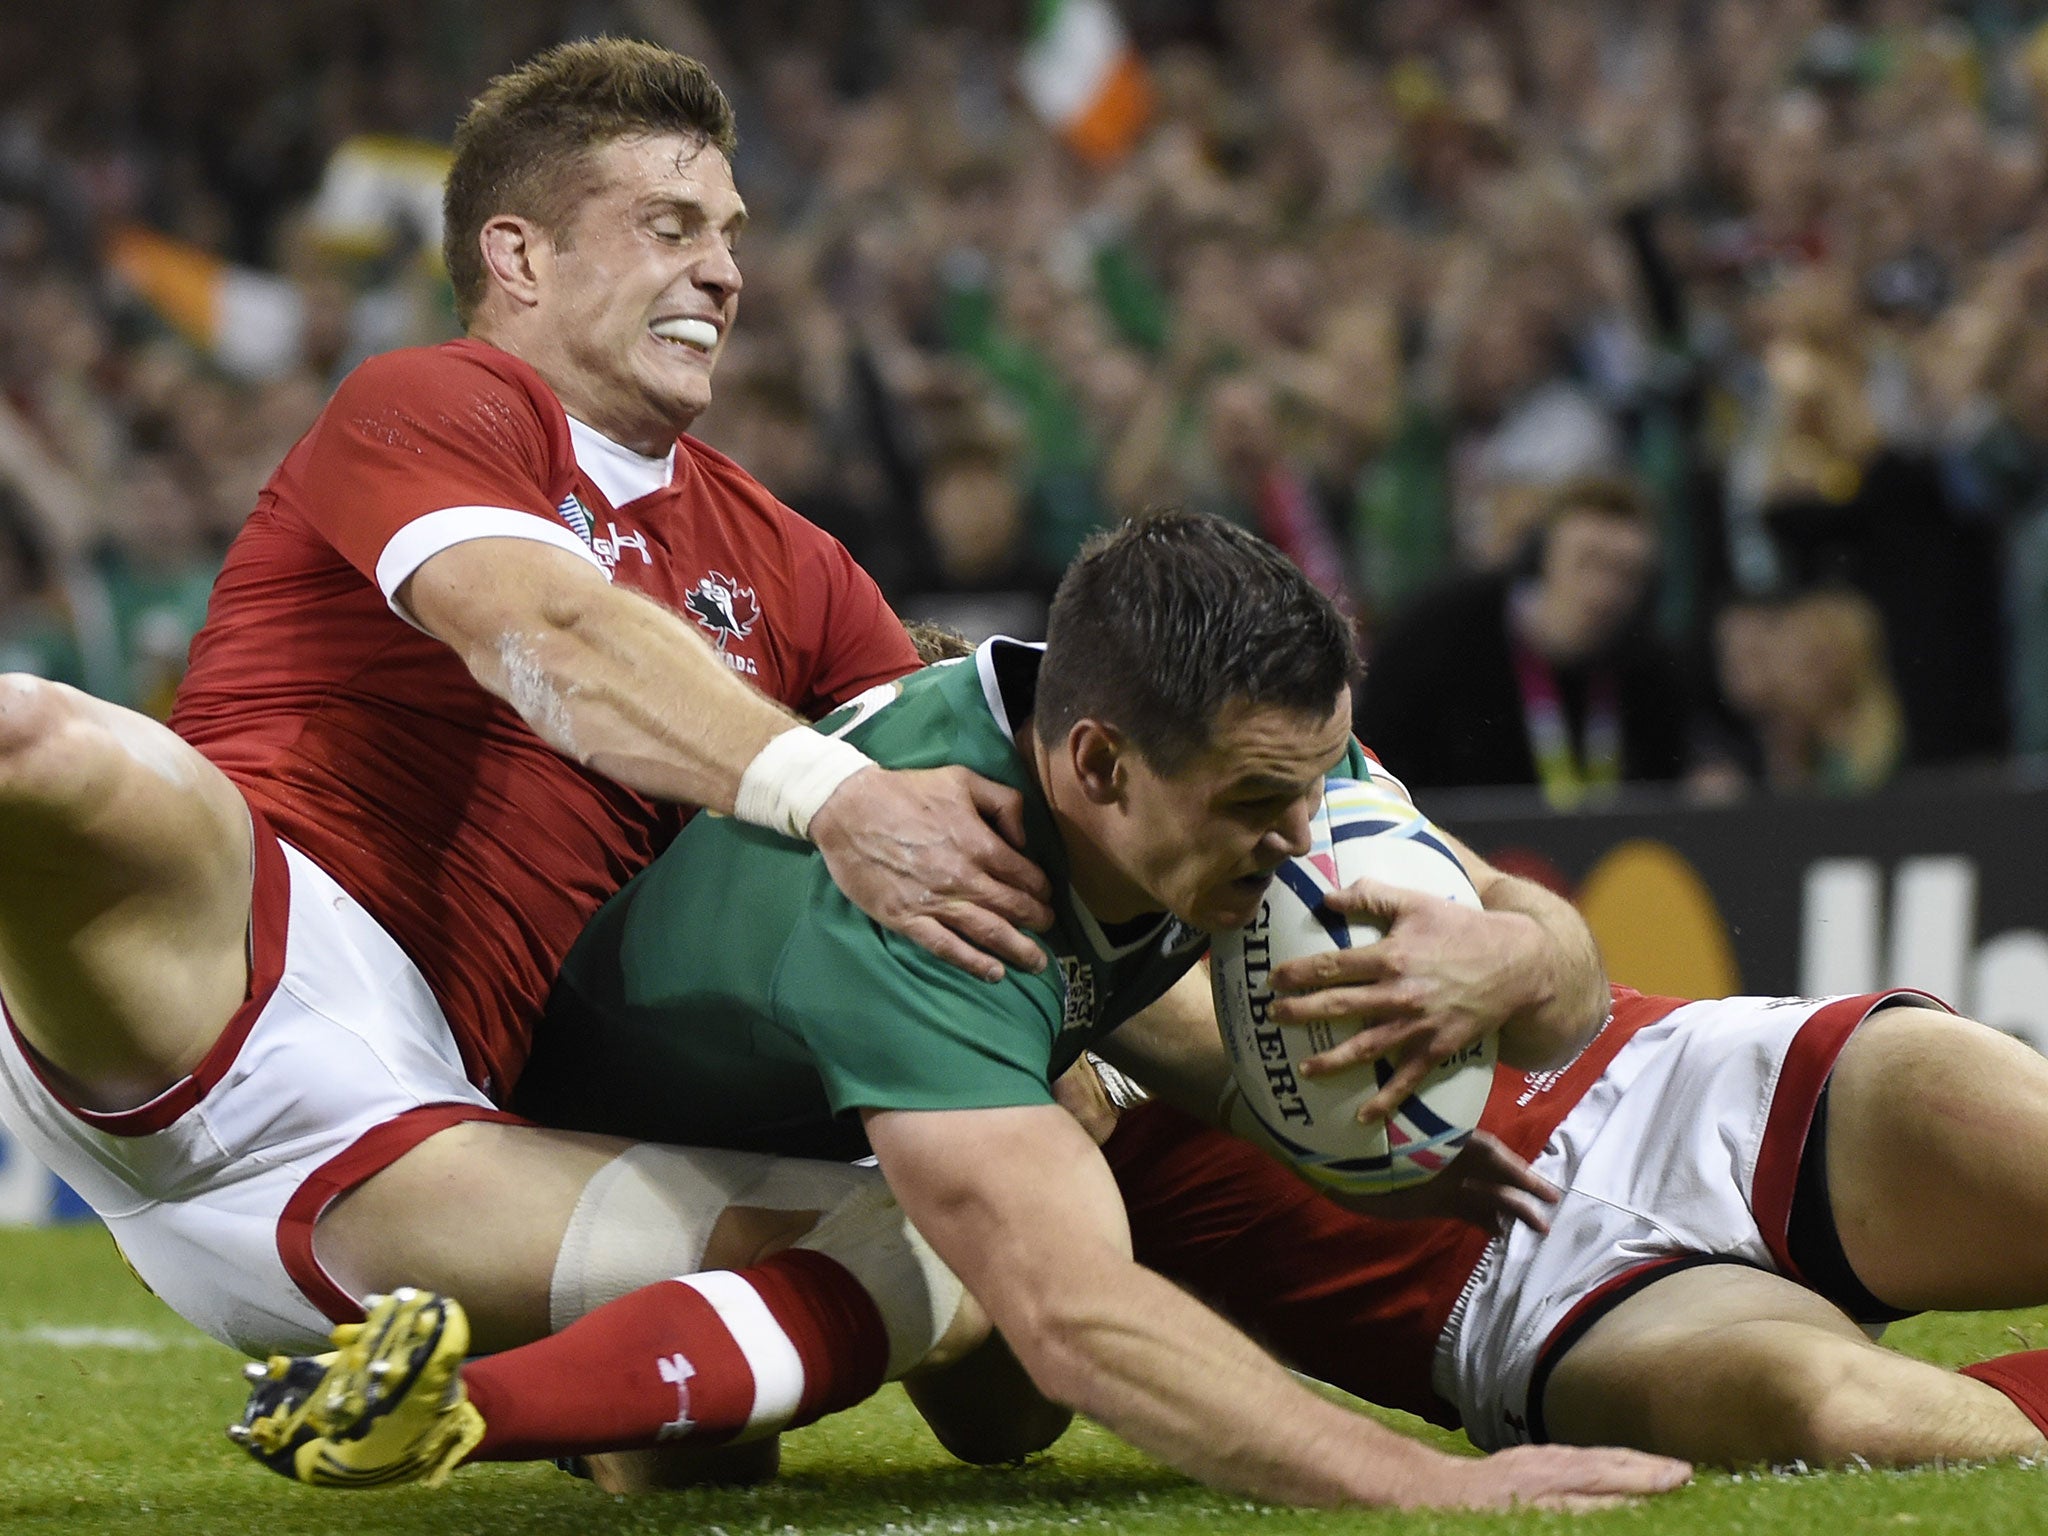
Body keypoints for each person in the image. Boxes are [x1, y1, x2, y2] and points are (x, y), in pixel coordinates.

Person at [0, 36, 1067, 1474]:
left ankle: (550, 1408)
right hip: (245, 952)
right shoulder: (429, 398)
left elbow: (976, 815)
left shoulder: (799, 570)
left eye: (731, 236)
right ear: (520, 255)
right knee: (37, 741)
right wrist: (835, 796)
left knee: (984, 1261)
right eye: (671, 226)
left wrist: (1086, 1079)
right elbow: (545, 631)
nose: (725, 273)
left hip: (430, 1153)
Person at [239, 510, 1690, 1510]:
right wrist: (1429, 1484)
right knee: (918, 1328)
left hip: (865, 1079)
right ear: (1099, 765)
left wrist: (1505, 961)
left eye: (1320, 779)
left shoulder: (1246, 731)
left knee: (1006, 1428)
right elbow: (1082, 1322)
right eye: (1264, 803)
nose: (1310, 834)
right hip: (601, 1157)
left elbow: (1542, 952)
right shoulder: (940, 907)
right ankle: (492, 1401)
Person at [1089, 981, 2048, 1470]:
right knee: (1840, 1415)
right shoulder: (970, 1068)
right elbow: (998, 1415)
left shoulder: (1240, 785)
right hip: (1520, 1306)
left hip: (1671, 1074)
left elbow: (1552, 946)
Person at [1353, 476, 1701, 808]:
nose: (1604, 591)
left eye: (1625, 572)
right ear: (1544, 556)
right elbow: (1375, 747)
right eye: (1588, 562)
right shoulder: (1443, 629)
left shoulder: (1653, 672)